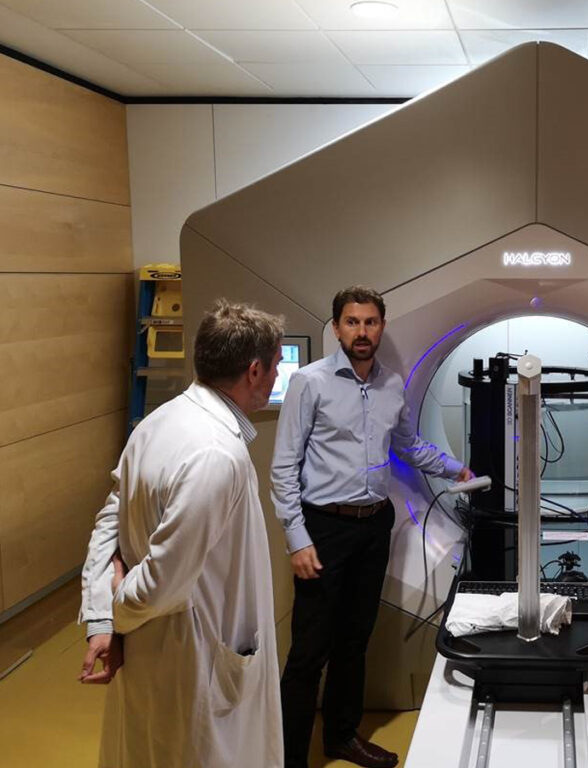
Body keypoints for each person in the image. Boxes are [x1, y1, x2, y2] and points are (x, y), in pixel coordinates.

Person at [78, 300, 287, 767]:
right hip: (193, 660)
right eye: (275, 366)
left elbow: (108, 523)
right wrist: (114, 609)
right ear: (254, 370)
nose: (277, 377)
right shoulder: (215, 454)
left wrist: (102, 619)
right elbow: (161, 583)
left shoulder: (158, 422)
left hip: (164, 648)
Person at [272, 285, 471, 768]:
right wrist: (297, 539)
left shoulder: (391, 384)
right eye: (352, 322)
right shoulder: (310, 383)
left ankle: (341, 735)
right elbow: (283, 467)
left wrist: (455, 469)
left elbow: (407, 445)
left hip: (373, 525)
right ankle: (288, 757)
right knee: (309, 651)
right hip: (324, 528)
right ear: (337, 328)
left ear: (381, 326)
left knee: (355, 639)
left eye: (370, 322)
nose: (362, 332)